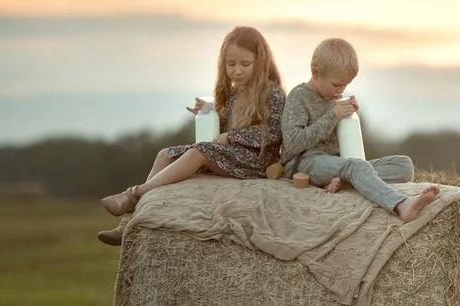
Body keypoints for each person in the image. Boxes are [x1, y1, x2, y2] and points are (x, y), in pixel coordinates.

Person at [97, 26, 286, 245]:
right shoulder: (235, 93)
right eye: (231, 64)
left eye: (245, 64)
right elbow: (226, 126)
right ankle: (129, 224)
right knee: (165, 154)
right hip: (233, 156)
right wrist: (210, 111)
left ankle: (134, 194)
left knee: (200, 152)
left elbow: (274, 132)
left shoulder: (272, 92)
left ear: (260, 62)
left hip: (257, 162)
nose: (237, 71)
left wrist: (232, 137)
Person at [280, 37, 438, 223]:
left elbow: (342, 142)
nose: (341, 90)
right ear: (315, 73)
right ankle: (401, 205)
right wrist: (334, 115)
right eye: (337, 84)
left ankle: (346, 181)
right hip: (304, 163)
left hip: (338, 163)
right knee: (355, 166)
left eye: (346, 85)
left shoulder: (333, 97)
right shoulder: (299, 97)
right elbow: (292, 143)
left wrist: (350, 117)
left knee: (404, 165)